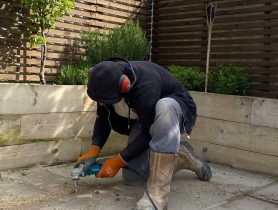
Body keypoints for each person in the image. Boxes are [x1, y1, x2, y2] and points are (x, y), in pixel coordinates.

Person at [75, 57, 212, 210]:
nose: (101, 103)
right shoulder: (107, 79)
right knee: (133, 177)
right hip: (147, 119)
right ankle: (183, 157)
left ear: (125, 85)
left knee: (164, 106)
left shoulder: (146, 85)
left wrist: (119, 160)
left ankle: (158, 194)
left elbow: (148, 132)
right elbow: (104, 116)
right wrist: (94, 149)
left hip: (176, 113)